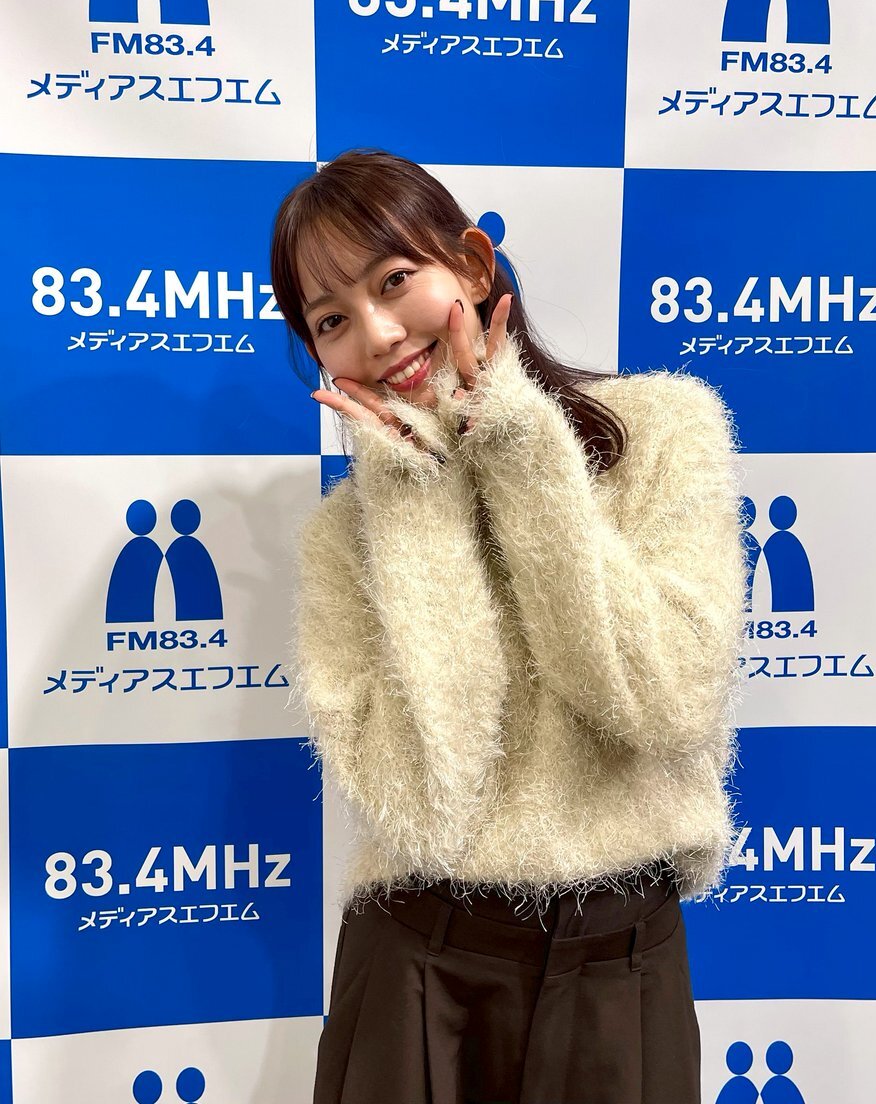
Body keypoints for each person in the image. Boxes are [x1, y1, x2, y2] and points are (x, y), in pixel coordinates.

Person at [270, 148, 748, 1104]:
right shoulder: (342, 538)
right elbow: (425, 803)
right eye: (330, 321)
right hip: (416, 966)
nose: (377, 334)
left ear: (473, 265)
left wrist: (520, 448)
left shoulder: (663, 429)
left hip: (621, 960)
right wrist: (417, 506)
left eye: (393, 281)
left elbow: (667, 701)